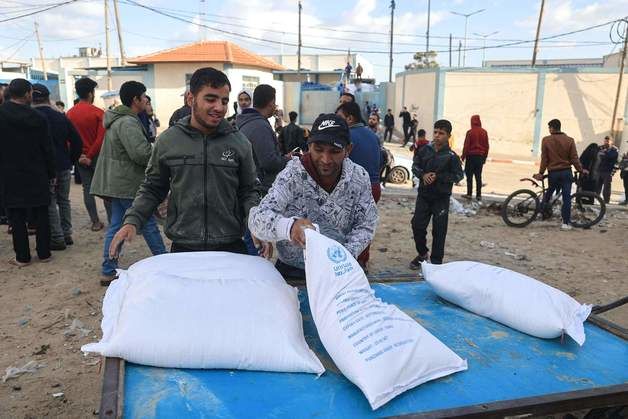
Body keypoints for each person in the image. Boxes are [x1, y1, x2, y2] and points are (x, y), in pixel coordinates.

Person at [108, 67, 263, 260]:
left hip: (231, 247)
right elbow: (153, 188)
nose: (219, 107)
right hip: (184, 249)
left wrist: (256, 223)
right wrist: (132, 221)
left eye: (224, 101)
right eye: (211, 99)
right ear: (191, 99)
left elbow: (249, 190)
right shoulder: (168, 141)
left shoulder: (239, 143)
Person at [248, 113, 378, 280]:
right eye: (318, 150)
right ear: (309, 146)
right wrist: (290, 227)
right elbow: (259, 218)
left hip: (339, 269)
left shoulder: (358, 177)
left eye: (334, 151)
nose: (325, 159)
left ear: (348, 150)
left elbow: (366, 224)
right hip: (293, 271)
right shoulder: (293, 174)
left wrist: (343, 255)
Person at [91, 81, 167, 284]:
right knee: (148, 222)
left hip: (119, 183)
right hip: (127, 184)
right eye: (144, 97)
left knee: (117, 225)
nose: (146, 101)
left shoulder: (123, 120)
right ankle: (167, 263)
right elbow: (141, 154)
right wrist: (160, 152)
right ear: (135, 100)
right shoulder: (128, 123)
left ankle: (108, 269)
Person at [0, 79, 56, 266]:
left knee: (15, 216)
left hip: (9, 173)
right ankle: (44, 253)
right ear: (26, 94)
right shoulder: (38, 118)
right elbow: (47, 148)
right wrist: (51, 172)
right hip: (36, 171)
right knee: (41, 213)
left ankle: (22, 256)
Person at [31, 83, 83, 250]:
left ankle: (57, 237)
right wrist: (71, 159)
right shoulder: (60, 116)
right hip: (63, 164)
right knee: (64, 200)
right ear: (48, 98)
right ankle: (67, 233)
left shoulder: (31, 117)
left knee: (50, 201)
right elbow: (77, 141)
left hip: (44, 167)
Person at [409, 120, 463, 269]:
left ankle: (436, 264)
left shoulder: (452, 157)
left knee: (439, 231)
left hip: (441, 199)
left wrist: (439, 177)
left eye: (442, 133)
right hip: (424, 196)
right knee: (417, 225)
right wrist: (423, 175)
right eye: (436, 132)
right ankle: (422, 254)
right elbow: (415, 166)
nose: (437, 136)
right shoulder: (424, 150)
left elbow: (459, 176)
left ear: (448, 136)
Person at [336, 101, 381, 271]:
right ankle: (362, 262)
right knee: (364, 225)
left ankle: (347, 264)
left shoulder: (347, 137)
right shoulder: (372, 135)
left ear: (349, 118)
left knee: (346, 227)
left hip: (355, 187)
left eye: (340, 118)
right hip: (374, 186)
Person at [66, 77, 111, 231]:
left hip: (79, 157)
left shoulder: (69, 114)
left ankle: (95, 222)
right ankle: (113, 221)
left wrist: (78, 156)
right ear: (91, 93)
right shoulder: (98, 113)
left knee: (87, 189)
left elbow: (68, 140)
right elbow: (101, 138)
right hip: (97, 156)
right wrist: (90, 156)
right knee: (106, 188)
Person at [237, 84, 291, 194]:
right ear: (271, 103)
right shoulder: (259, 126)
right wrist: (288, 159)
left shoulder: (248, 121)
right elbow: (269, 163)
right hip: (262, 189)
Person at [534, 119, 587, 231]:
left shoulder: (546, 140)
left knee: (549, 192)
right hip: (566, 172)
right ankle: (565, 223)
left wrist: (541, 173)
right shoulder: (570, 140)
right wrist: (581, 170)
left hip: (553, 173)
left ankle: (541, 213)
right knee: (566, 198)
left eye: (549, 128)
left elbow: (544, 159)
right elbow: (574, 159)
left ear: (552, 128)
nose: (549, 130)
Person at [461, 115, 489, 201]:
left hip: (470, 156)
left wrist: (463, 156)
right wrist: (484, 157)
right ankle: (478, 195)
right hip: (480, 157)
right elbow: (487, 146)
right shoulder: (484, 132)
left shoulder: (470, 132)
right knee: (478, 176)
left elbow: (466, 145)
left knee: (469, 176)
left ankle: (469, 194)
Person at [596, 136, 618, 204]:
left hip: (608, 171)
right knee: (597, 186)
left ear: (611, 142)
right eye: (605, 141)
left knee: (606, 188)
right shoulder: (601, 148)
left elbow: (611, 156)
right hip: (600, 170)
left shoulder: (614, 150)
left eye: (607, 141)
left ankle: (606, 201)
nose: (606, 143)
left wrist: (605, 152)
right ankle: (596, 199)